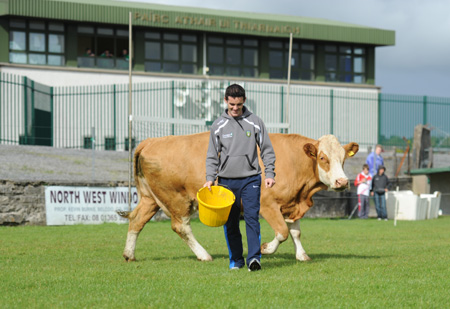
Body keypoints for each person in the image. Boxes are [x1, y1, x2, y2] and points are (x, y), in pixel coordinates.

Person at [203, 84, 276, 272]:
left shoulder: (255, 122)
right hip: (226, 181)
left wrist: (270, 174)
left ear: (244, 101)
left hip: (251, 178)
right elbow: (212, 155)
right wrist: (210, 178)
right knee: (231, 222)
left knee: (252, 218)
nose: (235, 108)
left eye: (239, 104)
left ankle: (254, 259)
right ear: (226, 101)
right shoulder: (218, 126)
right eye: (232, 104)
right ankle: (236, 260)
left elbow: (266, 150)